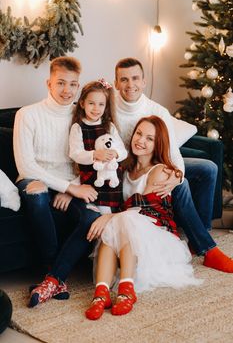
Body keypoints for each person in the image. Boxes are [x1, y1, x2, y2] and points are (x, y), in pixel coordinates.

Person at [112, 57, 233, 272]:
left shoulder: (156, 110)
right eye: (124, 79)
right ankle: (208, 249)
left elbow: (172, 151)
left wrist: (176, 175)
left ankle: (200, 237)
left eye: (135, 78)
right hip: (133, 166)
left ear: (144, 81)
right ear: (116, 82)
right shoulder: (110, 107)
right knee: (183, 185)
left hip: (159, 160)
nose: (130, 85)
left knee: (208, 169)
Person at [85, 115, 202, 320]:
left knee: (125, 222)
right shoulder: (124, 169)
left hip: (158, 239)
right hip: (128, 234)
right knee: (114, 230)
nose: (141, 140)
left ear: (158, 144)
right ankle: (100, 294)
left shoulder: (160, 171)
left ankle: (126, 291)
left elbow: (143, 211)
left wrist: (109, 219)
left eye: (150, 138)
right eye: (139, 134)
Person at [13, 56, 100, 307]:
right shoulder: (27, 115)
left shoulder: (83, 117)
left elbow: (88, 161)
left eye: (73, 85)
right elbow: (26, 165)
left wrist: (72, 189)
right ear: (48, 83)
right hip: (34, 178)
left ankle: (54, 279)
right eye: (61, 83)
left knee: (92, 218)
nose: (67, 90)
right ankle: (52, 267)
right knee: (38, 195)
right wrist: (68, 187)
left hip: (70, 183)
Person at [69, 79, 127, 215]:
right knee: (98, 211)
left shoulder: (109, 126)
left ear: (106, 106)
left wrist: (116, 153)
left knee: (112, 211)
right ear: (82, 103)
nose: (96, 108)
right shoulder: (78, 127)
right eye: (91, 103)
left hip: (112, 179)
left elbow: (123, 152)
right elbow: (75, 153)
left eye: (101, 104)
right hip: (90, 179)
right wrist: (94, 154)